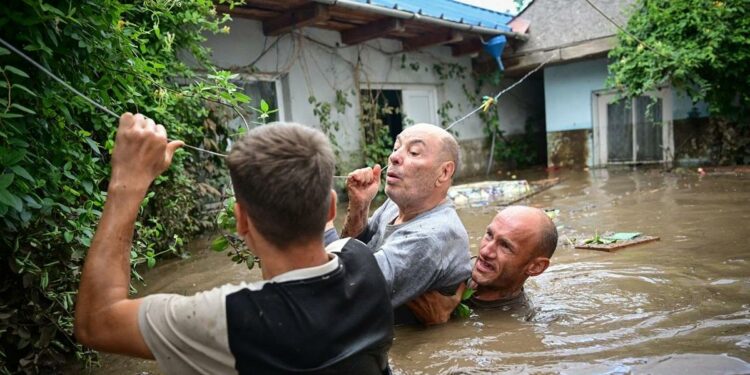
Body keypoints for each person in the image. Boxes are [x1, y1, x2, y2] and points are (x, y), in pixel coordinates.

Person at [74, 113, 393, 374]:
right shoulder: (364, 260)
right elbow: (333, 248)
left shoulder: (228, 318)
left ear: (241, 221)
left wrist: (126, 181)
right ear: (332, 208)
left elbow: (97, 321)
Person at [325, 123, 472, 323]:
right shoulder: (396, 205)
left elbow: (342, 291)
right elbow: (354, 250)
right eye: (396, 148)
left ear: (444, 172)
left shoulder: (431, 235)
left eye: (414, 152)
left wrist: (322, 221)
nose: (394, 157)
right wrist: (359, 207)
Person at [406, 205, 558, 324]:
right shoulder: (451, 267)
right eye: (489, 235)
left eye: (505, 246)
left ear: (536, 267)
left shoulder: (517, 322)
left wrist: (437, 325)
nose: (486, 251)